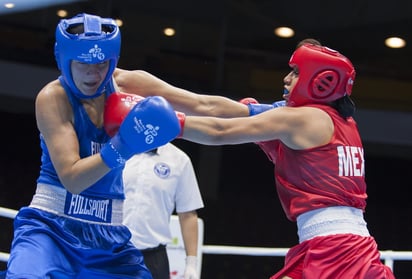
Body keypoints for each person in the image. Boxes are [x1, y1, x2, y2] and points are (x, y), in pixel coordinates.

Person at [4, 12, 248, 278]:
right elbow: (73, 179)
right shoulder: (53, 98)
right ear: (65, 60)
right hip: (51, 229)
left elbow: (204, 107)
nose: (93, 73)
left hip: (108, 235)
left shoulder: (127, 85)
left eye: (101, 64)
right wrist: (125, 144)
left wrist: (265, 112)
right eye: (83, 63)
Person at [176, 41, 396, 278]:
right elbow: (211, 108)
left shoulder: (305, 119)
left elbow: (220, 130)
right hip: (333, 246)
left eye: (296, 72)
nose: (287, 78)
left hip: (337, 251)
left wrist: (165, 123)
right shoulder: (341, 123)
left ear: (321, 80)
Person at [122, 143, 204, 279]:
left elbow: (188, 214)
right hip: (110, 252)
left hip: (153, 259)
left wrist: (191, 263)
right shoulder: (116, 148)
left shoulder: (180, 160)